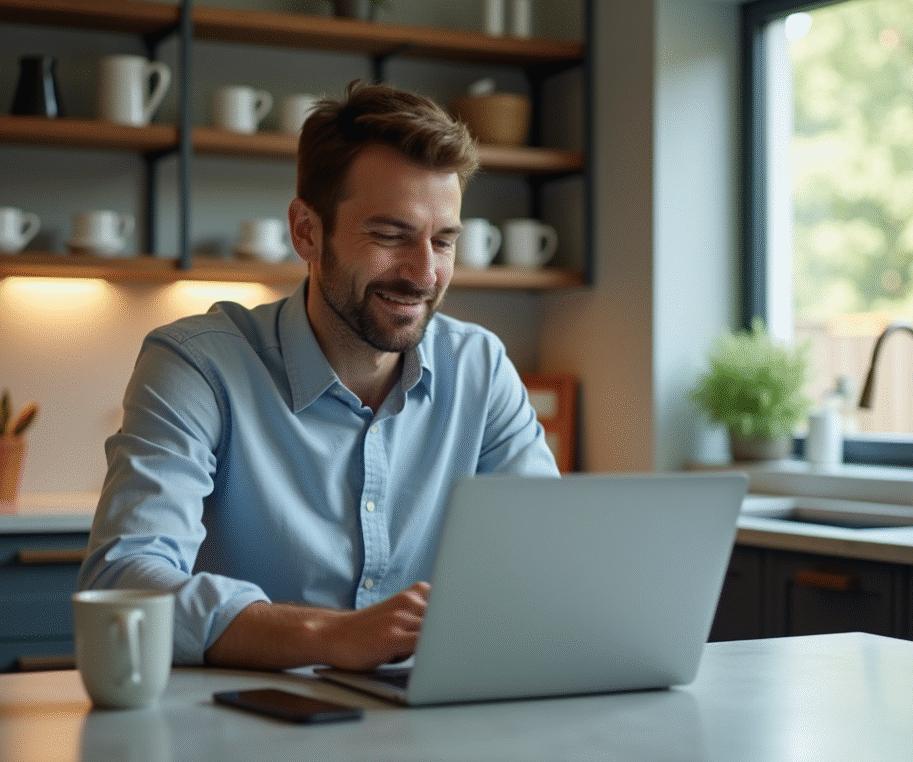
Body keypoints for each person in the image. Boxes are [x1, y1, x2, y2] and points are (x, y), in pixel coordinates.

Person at [77, 81, 560, 672]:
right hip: (242, 727)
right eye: (389, 236)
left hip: (432, 721)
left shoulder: (480, 368)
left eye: (444, 241)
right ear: (306, 231)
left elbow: (544, 568)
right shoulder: (198, 365)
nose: (423, 273)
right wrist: (329, 636)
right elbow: (126, 578)